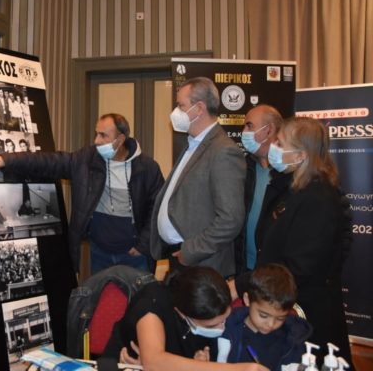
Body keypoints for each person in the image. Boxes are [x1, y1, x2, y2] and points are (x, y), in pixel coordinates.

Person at [230, 117, 352, 364]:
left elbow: (299, 267)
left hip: (306, 313)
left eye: (280, 143)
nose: (274, 147)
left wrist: (243, 284)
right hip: (287, 305)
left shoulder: (318, 197)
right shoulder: (294, 187)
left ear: (301, 154)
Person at [0, 113, 164, 274]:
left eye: (103, 135)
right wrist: (8, 160)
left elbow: (157, 209)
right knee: (100, 301)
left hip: (134, 256)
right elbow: (49, 162)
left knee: (138, 302)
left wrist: (143, 245)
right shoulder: (87, 159)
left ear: (121, 139)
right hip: (99, 253)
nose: (96, 141)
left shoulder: (147, 168)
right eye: (96, 133)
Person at [151, 77, 246, 277]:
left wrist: (191, 251)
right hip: (179, 258)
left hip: (200, 263)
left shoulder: (223, 151)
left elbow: (231, 219)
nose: (175, 112)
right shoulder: (192, 144)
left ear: (199, 108)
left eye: (181, 105)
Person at [103, 266, 268, 371]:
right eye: (212, 326)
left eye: (224, 319)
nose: (222, 327)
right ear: (182, 314)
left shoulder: (214, 301)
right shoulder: (153, 302)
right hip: (120, 365)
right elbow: (153, 361)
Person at [217, 264, 311, 371]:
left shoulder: (292, 338)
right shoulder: (226, 329)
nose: (271, 324)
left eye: (280, 318)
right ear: (247, 300)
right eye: (263, 315)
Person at [236, 105, 283, 274]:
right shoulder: (242, 168)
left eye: (249, 126)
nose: (244, 132)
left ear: (269, 130)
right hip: (245, 268)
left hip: (277, 273)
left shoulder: (288, 170)